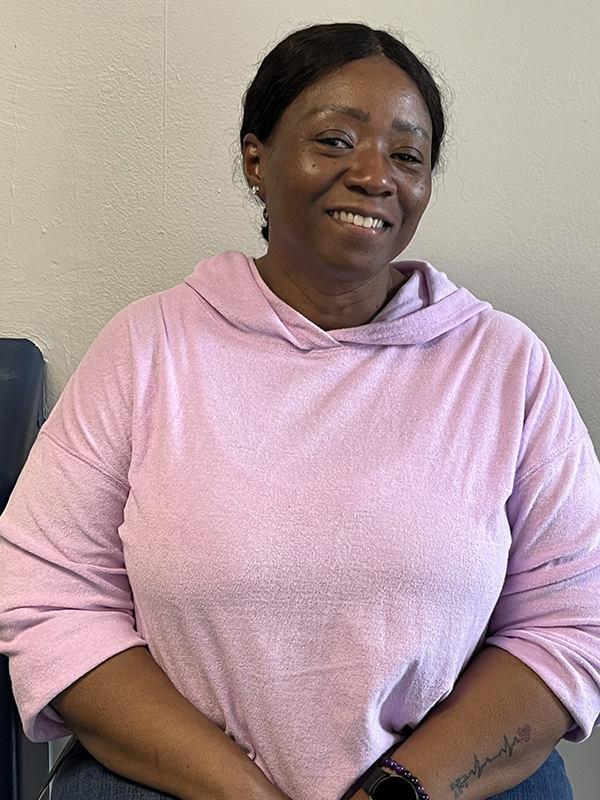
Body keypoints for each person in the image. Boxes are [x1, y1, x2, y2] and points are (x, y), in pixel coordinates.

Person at [0, 21, 599, 800]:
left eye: (408, 156)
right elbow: (49, 600)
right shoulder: (149, 347)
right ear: (257, 158)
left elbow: (569, 621)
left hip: (437, 785)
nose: (376, 175)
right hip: (173, 781)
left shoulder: (504, 365)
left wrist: (395, 793)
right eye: (336, 140)